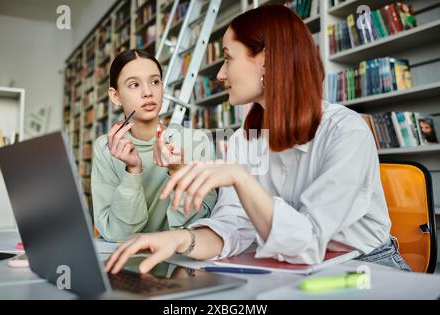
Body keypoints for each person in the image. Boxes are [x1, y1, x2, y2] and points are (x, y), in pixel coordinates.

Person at [105, 5, 411, 274]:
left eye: (227, 59)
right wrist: (182, 239)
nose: (220, 75)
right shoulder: (246, 138)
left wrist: (240, 178)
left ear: (265, 61)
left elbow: (307, 242)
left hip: (367, 267)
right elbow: (236, 226)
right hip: (295, 269)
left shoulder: (346, 132)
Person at [91, 49, 217, 242]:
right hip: (125, 263)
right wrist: (132, 171)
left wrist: (178, 171)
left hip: (179, 265)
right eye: (134, 84)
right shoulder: (104, 148)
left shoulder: (195, 141)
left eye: (155, 82)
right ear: (115, 96)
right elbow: (117, 234)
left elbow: (200, 225)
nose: (148, 92)